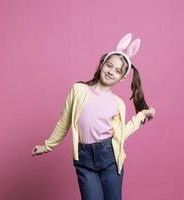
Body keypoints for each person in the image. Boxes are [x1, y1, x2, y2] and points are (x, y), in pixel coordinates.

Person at [31, 33, 156, 200]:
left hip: (110, 157)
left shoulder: (118, 103)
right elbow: (64, 122)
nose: (111, 72)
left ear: (122, 78)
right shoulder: (78, 90)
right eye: (109, 66)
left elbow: (121, 134)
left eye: (118, 71)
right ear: (102, 64)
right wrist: (47, 146)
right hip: (84, 160)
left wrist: (141, 116)